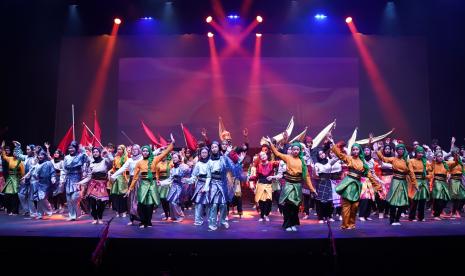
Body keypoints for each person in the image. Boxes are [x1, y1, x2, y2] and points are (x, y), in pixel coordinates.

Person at [267, 138, 316, 232]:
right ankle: (287, 224)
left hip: (297, 186)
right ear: (292, 150)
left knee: (295, 206)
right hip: (289, 184)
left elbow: (307, 177)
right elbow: (277, 153)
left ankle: (293, 223)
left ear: (300, 150)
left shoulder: (302, 161)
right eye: (294, 149)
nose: (296, 151)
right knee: (288, 206)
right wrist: (271, 144)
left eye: (298, 149)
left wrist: (312, 189)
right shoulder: (288, 157)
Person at [126, 135, 175, 228]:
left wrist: (172, 143)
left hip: (152, 184)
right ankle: (142, 221)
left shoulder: (155, 159)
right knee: (141, 204)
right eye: (143, 151)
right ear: (142, 152)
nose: (145, 152)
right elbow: (135, 178)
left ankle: (148, 222)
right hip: (143, 184)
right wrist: (130, 189)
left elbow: (165, 153)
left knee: (150, 205)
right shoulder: (139, 163)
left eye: (146, 150)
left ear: (149, 152)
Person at [331, 142, 380, 229]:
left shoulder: (363, 163)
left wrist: (378, 186)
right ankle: (345, 225)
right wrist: (336, 144)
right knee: (346, 205)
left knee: (355, 206)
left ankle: (352, 224)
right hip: (348, 183)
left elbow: (370, 175)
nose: (355, 151)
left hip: (357, 184)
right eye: (353, 149)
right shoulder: (349, 158)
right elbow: (338, 153)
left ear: (360, 151)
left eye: (357, 149)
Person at [80, 147, 112, 224]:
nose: (95, 153)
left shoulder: (105, 160)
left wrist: (107, 153)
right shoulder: (91, 163)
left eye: (97, 151)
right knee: (93, 202)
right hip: (93, 184)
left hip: (102, 184)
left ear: (100, 153)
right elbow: (89, 176)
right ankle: (95, 218)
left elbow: (111, 161)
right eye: (94, 152)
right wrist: (81, 182)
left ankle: (100, 218)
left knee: (101, 203)